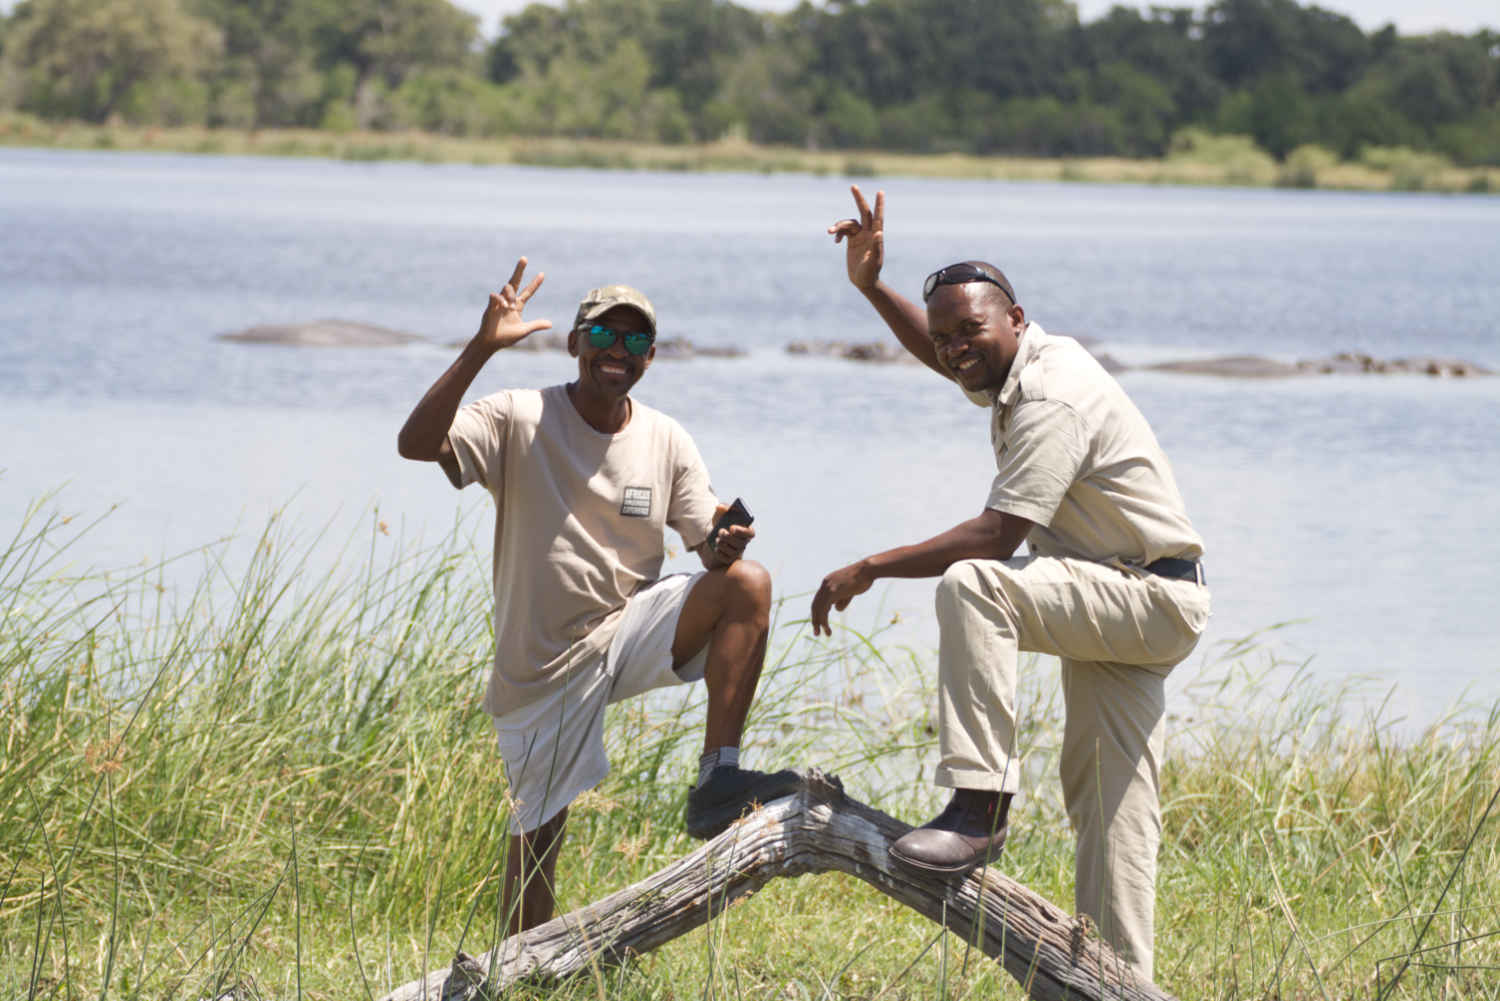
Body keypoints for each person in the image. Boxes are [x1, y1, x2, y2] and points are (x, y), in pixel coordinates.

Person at [812, 188, 1210, 978]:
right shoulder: (1015, 364)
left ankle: (980, 804)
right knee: (1112, 809)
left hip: (1143, 594)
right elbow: (950, 353)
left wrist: (870, 565)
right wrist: (869, 288)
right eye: (947, 333)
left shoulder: (1053, 393)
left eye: (973, 328)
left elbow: (999, 538)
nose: (957, 347)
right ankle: (1113, 983)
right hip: (1127, 596)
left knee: (972, 585)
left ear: (1017, 318)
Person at [398, 258, 800, 935]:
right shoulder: (519, 415)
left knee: (748, 584)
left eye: (637, 341)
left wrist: (724, 543)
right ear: (574, 344)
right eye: (605, 337)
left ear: (650, 357)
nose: (620, 352)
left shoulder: (665, 437)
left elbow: (706, 543)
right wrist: (481, 347)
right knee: (538, 836)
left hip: (628, 629)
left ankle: (717, 780)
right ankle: (520, 963)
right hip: (542, 661)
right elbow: (416, 444)